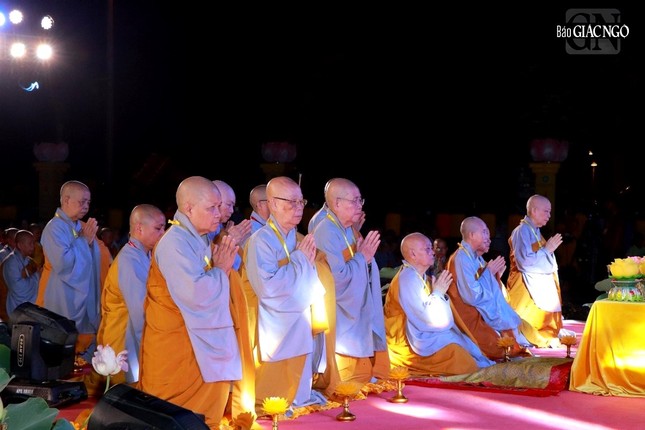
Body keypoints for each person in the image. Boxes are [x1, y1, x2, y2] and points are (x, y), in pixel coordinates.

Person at [137, 176, 244, 428]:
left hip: (196, 340)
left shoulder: (197, 238)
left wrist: (221, 267)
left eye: (219, 207)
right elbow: (195, 294)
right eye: (212, 208)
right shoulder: (175, 243)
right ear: (188, 208)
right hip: (178, 345)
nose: (218, 214)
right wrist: (220, 270)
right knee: (174, 417)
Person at [244, 176, 327, 413]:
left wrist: (308, 264)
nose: (298, 208)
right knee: (273, 377)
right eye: (291, 202)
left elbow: (309, 277)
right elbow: (268, 288)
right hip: (272, 319)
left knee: (300, 356)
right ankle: (272, 400)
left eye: (301, 201)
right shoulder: (261, 241)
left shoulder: (297, 238)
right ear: (272, 204)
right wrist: (300, 260)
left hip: (298, 314)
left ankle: (297, 396)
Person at [312, 177, 389, 384]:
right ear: (337, 203)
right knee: (350, 379)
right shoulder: (326, 232)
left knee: (364, 374)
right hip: (338, 310)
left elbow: (363, 262)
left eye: (360, 200)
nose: (360, 205)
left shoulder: (348, 229)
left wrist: (366, 260)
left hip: (355, 308)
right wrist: (362, 258)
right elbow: (335, 280)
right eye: (354, 200)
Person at [384, 232, 494, 375]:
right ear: (413, 254)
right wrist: (438, 293)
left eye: (431, 248)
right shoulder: (407, 278)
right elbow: (425, 320)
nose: (432, 253)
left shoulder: (421, 276)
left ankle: (482, 367)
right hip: (407, 342)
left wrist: (439, 293)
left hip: (424, 333)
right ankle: (479, 370)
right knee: (455, 353)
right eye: (427, 249)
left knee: (463, 341)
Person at [96, 204, 166, 384]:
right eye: (158, 228)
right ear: (139, 228)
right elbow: (140, 310)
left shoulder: (143, 255)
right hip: (124, 339)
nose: (163, 233)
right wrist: (156, 345)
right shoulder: (129, 260)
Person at [446, 217, 533, 360]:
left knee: (509, 339)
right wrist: (488, 274)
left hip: (478, 311)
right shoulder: (461, 258)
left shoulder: (475, 257)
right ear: (471, 235)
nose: (488, 237)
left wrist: (494, 276)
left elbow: (484, 286)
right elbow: (471, 296)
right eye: (485, 232)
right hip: (468, 315)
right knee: (500, 347)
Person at [36, 180, 102, 359]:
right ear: (66, 200)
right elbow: (64, 263)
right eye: (82, 202)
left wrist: (88, 244)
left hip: (77, 292)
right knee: (59, 342)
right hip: (59, 292)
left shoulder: (78, 226)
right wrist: (84, 241)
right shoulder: (54, 227)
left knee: (76, 347)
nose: (86, 206)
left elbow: (91, 258)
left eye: (88, 202)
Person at [507, 194, 569, 348]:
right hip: (525, 285)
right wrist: (547, 250)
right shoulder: (522, 231)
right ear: (534, 210)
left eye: (550, 212)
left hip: (538, 282)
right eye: (546, 211)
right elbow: (524, 261)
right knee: (527, 319)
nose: (549, 215)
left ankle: (546, 332)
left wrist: (548, 251)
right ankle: (535, 336)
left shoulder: (534, 231)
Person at [1, 230, 41, 319]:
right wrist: (36, 277)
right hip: (17, 309)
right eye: (30, 243)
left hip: (30, 307)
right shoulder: (11, 262)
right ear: (20, 245)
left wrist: (30, 275)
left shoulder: (29, 260)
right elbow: (19, 290)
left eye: (33, 243)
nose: (33, 246)